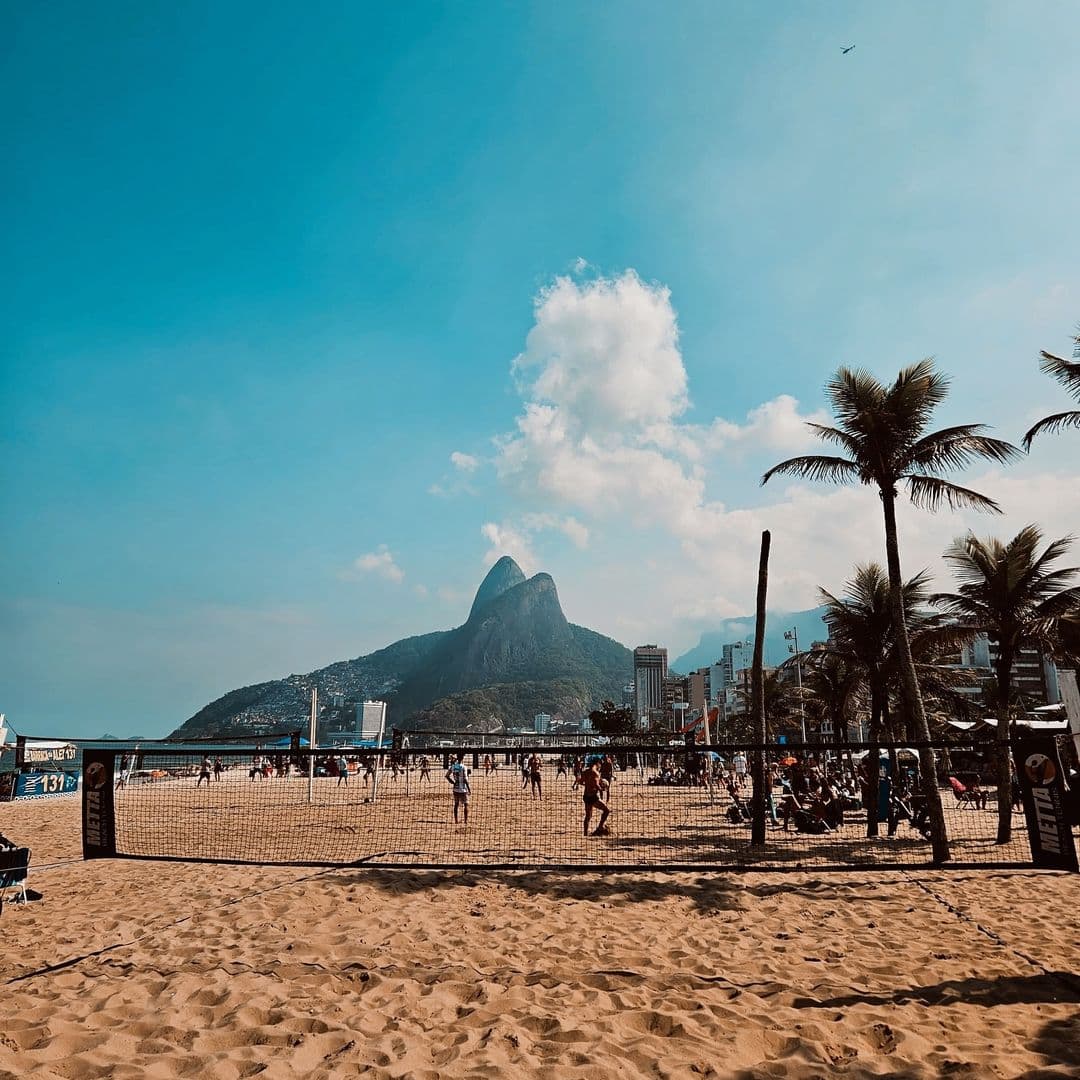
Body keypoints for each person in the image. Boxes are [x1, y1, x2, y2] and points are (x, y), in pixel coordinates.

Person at [581, 760, 611, 836]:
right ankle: (600, 827)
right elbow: (596, 784)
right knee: (606, 811)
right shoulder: (596, 773)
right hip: (593, 797)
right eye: (600, 764)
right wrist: (601, 789)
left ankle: (585, 833)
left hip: (586, 796)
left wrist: (588, 784)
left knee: (588, 815)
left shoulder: (585, 772)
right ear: (597, 764)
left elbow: (581, 782)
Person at [446, 753, 471, 824]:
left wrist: (452, 782)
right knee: (466, 804)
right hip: (463, 789)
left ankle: (456, 820)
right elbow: (465, 779)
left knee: (456, 804)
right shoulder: (463, 767)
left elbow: (447, 776)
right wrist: (469, 789)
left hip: (455, 788)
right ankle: (465, 821)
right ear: (463, 758)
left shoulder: (453, 766)